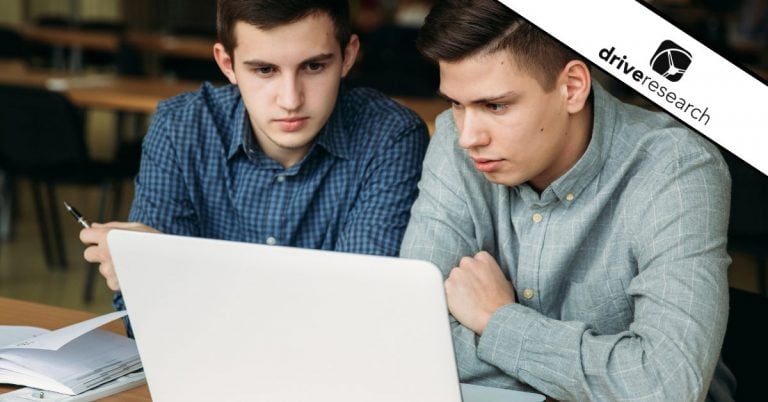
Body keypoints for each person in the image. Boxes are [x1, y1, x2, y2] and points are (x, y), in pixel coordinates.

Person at [399, 0, 735, 400]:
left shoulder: (675, 168)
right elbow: (410, 336)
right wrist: (599, 379)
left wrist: (496, 320)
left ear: (572, 87)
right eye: (456, 103)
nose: (469, 135)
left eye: (495, 106)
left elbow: (665, 386)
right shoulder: (455, 146)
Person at [80, 0, 429, 334]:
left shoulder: (391, 137)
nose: (291, 100)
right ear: (227, 63)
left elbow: (361, 313)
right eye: (265, 70)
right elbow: (145, 320)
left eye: (314, 66)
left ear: (348, 56)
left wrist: (182, 279)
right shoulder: (180, 127)